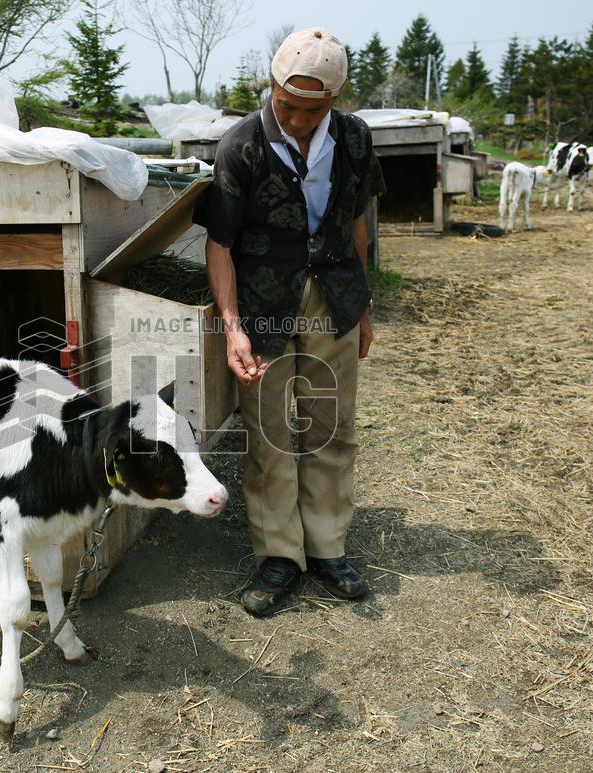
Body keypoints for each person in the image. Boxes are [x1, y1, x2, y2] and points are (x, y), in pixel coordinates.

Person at [194, 27, 385, 617]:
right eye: (288, 105)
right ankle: (280, 556)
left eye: (313, 109)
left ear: (335, 99)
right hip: (264, 304)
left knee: (329, 425)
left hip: (334, 298)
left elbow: (359, 222)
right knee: (272, 431)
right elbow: (221, 243)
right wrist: (232, 327)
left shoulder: (353, 139)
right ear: (273, 86)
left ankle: (327, 548)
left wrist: (364, 305)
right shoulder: (242, 145)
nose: (299, 120)